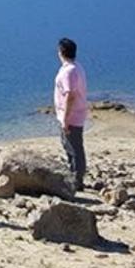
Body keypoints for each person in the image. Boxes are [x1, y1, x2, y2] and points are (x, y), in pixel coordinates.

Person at [54, 37, 88, 192]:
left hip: (72, 117)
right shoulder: (75, 67)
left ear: (61, 52)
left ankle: (77, 181)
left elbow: (70, 95)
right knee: (70, 147)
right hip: (72, 115)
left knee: (74, 149)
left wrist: (66, 119)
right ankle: (74, 177)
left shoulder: (69, 71)